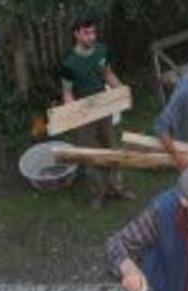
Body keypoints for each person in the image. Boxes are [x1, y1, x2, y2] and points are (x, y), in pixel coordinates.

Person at [59, 16, 134, 209]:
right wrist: (74, 115)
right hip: (84, 115)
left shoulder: (102, 51)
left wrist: (122, 91)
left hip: (105, 108)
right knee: (90, 155)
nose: (92, 36)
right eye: (86, 33)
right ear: (76, 34)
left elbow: (108, 74)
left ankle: (117, 187)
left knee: (111, 148)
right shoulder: (69, 63)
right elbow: (67, 92)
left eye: (93, 32)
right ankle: (98, 194)